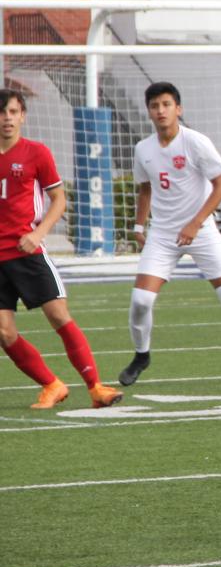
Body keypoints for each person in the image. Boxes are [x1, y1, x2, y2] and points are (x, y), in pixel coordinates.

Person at [119, 82, 221, 387]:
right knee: (140, 301)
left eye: (166, 104)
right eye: (154, 106)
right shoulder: (143, 148)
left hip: (202, 231)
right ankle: (141, 356)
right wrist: (138, 226)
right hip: (162, 235)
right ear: (149, 111)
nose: (160, 111)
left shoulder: (196, 142)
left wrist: (194, 224)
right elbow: (146, 188)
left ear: (178, 109)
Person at [0, 91, 121, 410]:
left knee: (58, 315)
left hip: (27, 253)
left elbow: (60, 200)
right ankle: (52, 385)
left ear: (22, 115)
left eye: (13, 111)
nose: (7, 118)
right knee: (4, 331)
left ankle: (96, 387)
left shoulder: (36, 153)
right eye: (2, 112)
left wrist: (38, 234)